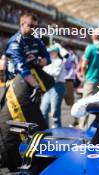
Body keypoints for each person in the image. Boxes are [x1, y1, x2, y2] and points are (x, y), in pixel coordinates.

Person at [0, 12, 54, 171]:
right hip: (15, 90)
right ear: (22, 24)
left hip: (31, 87)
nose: (34, 29)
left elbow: (47, 59)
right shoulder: (15, 43)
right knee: (10, 125)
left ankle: (36, 159)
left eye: (36, 26)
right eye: (30, 26)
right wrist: (36, 85)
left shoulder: (37, 40)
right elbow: (22, 69)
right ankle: (10, 160)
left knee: (34, 124)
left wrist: (39, 61)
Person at [40, 45, 66, 128]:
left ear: (56, 52)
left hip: (57, 86)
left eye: (52, 51)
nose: (50, 53)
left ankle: (57, 132)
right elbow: (44, 72)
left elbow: (55, 74)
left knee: (55, 112)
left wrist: (43, 73)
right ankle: (45, 130)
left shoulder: (59, 61)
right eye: (49, 52)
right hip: (49, 87)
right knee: (43, 110)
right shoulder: (48, 61)